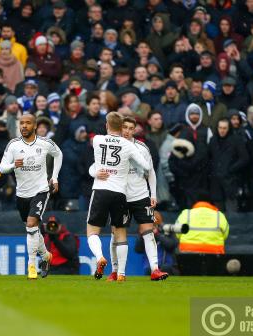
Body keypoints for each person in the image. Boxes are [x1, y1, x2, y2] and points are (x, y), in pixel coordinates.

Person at [92, 116, 168, 281]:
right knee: (116, 234)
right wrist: (95, 173)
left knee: (148, 231)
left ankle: (155, 269)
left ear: (135, 130)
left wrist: (153, 194)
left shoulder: (142, 147)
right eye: (124, 127)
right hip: (121, 196)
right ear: (119, 128)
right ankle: (116, 271)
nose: (126, 131)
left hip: (140, 195)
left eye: (130, 128)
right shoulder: (112, 145)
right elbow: (95, 166)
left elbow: (151, 172)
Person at [86, 112, 150, 281]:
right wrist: (140, 169)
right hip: (120, 194)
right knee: (120, 233)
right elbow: (145, 165)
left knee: (93, 231)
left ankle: (100, 257)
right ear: (121, 127)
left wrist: (97, 171)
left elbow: (94, 165)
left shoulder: (97, 140)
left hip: (101, 189)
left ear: (107, 125)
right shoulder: (128, 145)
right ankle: (121, 273)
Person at [0, 114, 63, 279]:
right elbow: (2, 168)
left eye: (28, 123)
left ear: (34, 126)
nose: (24, 126)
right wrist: (13, 165)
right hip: (22, 194)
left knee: (31, 223)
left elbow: (58, 154)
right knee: (31, 229)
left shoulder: (45, 143)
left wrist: (54, 177)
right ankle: (46, 256)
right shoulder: (13, 145)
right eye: (22, 123)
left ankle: (32, 266)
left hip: (40, 190)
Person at [175, 191, 230, 273]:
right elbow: (225, 235)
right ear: (211, 203)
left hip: (188, 252)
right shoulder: (219, 215)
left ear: (197, 202)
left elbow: (177, 232)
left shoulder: (186, 214)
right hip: (214, 253)